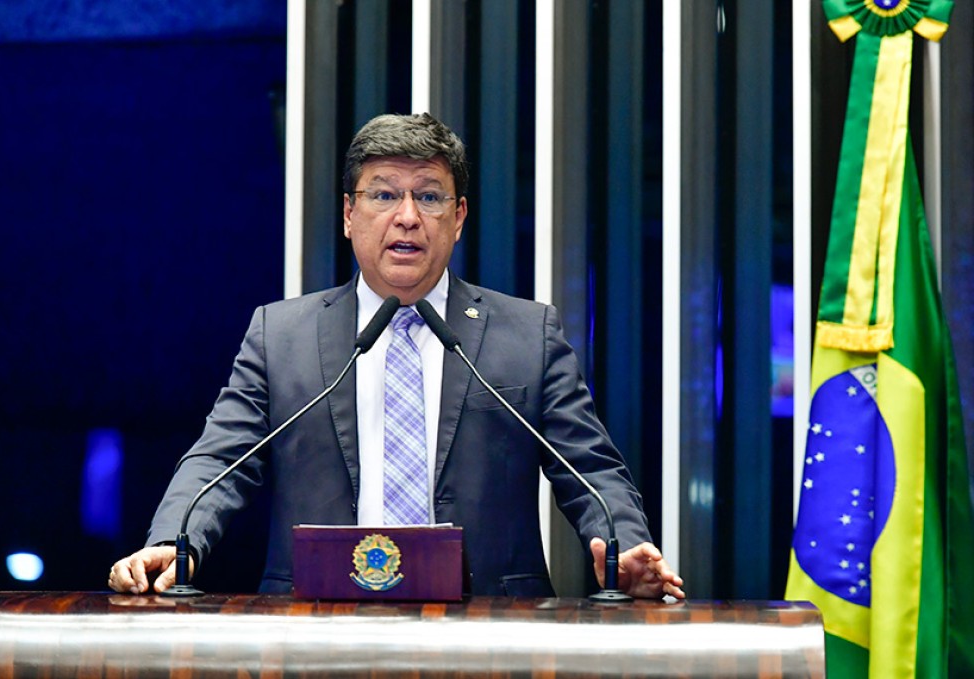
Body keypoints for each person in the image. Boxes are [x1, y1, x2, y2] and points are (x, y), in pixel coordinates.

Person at [108, 113, 684, 600]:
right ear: (348, 214)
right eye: (383, 194)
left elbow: (590, 468)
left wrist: (626, 548)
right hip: (313, 625)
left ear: (458, 217)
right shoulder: (280, 335)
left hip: (491, 628)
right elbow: (218, 462)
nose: (407, 216)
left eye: (428, 196)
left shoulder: (527, 335)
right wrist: (173, 543)